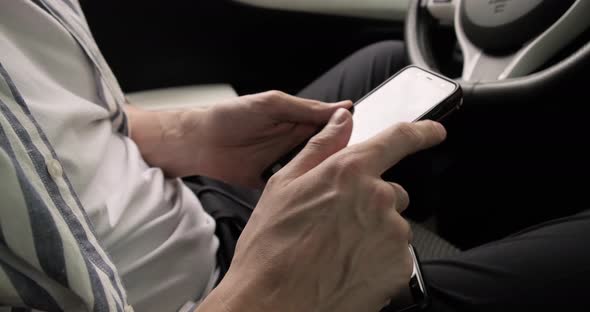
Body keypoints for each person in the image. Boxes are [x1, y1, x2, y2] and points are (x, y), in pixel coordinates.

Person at [1, 1, 589, 312]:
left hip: (194, 212)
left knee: (393, 69)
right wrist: (270, 290)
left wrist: (188, 135)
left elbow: (59, 121)